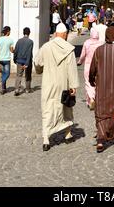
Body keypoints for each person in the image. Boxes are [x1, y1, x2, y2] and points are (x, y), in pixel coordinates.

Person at [34, 23, 79, 152]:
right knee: (66, 107)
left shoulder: (46, 47)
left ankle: (46, 139)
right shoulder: (69, 49)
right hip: (63, 83)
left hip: (48, 83)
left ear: (55, 34)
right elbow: (72, 69)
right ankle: (67, 133)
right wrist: (73, 85)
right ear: (65, 35)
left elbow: (37, 63)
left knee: (47, 108)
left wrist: (40, 70)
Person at [77, 28, 101, 109]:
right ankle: (96, 99)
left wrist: (80, 62)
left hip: (88, 66)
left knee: (88, 82)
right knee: (97, 82)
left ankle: (91, 99)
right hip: (99, 67)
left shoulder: (87, 43)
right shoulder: (101, 44)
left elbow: (83, 55)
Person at [14, 27, 34, 96]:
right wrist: (27, 63)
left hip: (19, 60)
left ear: (23, 33)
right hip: (27, 60)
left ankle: (17, 89)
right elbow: (29, 53)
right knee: (28, 75)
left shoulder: (19, 41)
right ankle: (27, 89)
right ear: (29, 33)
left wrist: (14, 59)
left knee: (19, 75)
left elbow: (15, 51)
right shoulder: (30, 42)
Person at [0, 26, 14, 95]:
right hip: (6, 59)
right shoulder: (10, 40)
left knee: (3, 73)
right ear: (8, 31)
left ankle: (3, 89)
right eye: (10, 31)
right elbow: (12, 50)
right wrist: (15, 51)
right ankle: (1, 82)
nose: (10, 32)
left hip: (0, 59)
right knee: (7, 73)